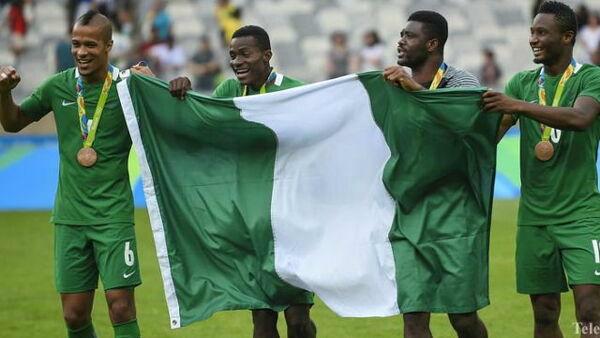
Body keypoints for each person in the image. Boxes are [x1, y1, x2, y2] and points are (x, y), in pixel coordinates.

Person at [0, 10, 156, 338]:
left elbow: (170, 122)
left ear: (109, 46)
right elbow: (13, 123)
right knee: (73, 316)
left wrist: (155, 85)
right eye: (75, 44)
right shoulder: (58, 86)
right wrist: (4, 93)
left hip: (113, 216)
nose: (81, 52)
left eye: (90, 45)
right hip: (70, 217)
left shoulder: (129, 89)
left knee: (121, 305)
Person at [169, 25, 317, 338]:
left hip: (289, 224)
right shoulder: (228, 93)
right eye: (233, 55)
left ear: (266, 55)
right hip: (247, 224)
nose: (237, 61)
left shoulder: (296, 92)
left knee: (297, 320)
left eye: (245, 54)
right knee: (262, 322)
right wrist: (179, 92)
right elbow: (195, 121)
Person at [483, 1, 600, 337]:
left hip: (581, 214)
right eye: (531, 32)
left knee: (590, 309)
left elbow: (581, 118)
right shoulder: (522, 83)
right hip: (534, 217)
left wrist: (518, 106)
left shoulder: (591, 78)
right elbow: (489, 137)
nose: (533, 39)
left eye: (541, 32)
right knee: (545, 314)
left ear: (567, 36)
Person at [382, 10, 488, 338]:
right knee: (414, 318)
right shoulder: (391, 88)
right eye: (400, 33)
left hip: (456, 213)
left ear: (432, 44)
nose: (400, 40)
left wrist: (415, 90)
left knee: (463, 318)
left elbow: (460, 129)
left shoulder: (462, 82)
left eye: (409, 35)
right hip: (409, 215)